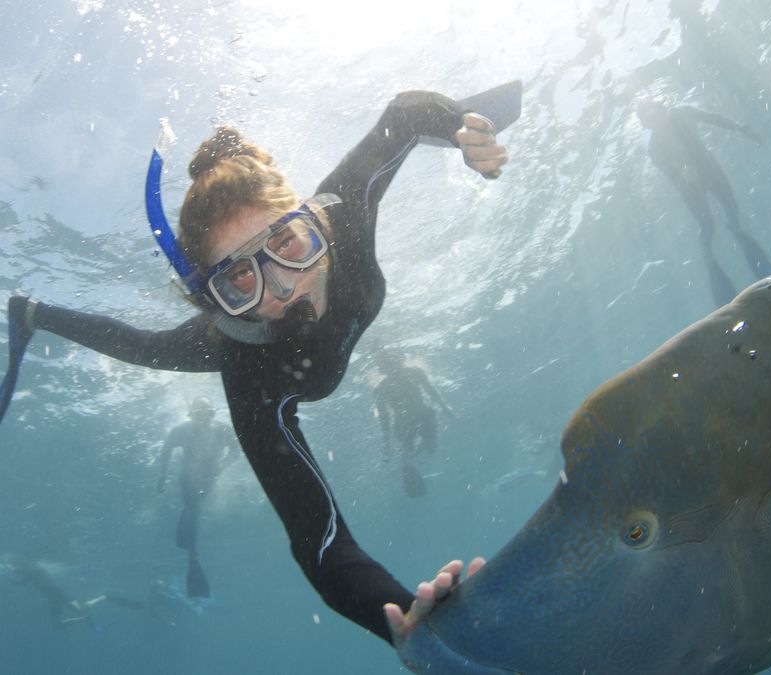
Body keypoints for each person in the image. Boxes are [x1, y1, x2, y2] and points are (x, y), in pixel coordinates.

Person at [1, 82, 518, 645]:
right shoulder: (250, 376)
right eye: (240, 276)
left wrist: (457, 126)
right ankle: (32, 314)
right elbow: (321, 545)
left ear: (314, 222)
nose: (282, 290)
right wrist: (404, 617)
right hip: (229, 342)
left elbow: (405, 114)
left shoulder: (342, 211)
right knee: (147, 346)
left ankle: (35, 311)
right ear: (217, 297)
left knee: (148, 344)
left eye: (289, 246)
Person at [637, 99, 771, 307]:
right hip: (690, 187)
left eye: (654, 112)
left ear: (661, 108)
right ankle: (709, 257)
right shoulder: (654, 147)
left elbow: (714, 119)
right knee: (707, 226)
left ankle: (735, 231)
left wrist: (741, 128)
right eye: (648, 118)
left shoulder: (683, 112)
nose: (654, 119)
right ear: (646, 124)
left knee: (732, 210)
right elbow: (670, 173)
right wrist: (682, 172)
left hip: (710, 171)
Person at [155, 396, 237, 598]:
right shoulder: (181, 430)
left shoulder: (222, 429)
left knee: (193, 508)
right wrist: (162, 477)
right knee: (193, 508)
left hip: (209, 477)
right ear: (191, 416)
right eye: (198, 415)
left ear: (212, 414)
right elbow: (166, 451)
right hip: (188, 478)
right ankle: (192, 555)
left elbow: (236, 450)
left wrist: (223, 465)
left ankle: (186, 541)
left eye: (207, 414)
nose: (203, 420)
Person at [371, 350, 454, 498]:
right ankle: (410, 462)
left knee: (428, 448)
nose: (392, 367)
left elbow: (431, 390)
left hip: (418, 418)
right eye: (388, 364)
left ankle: (412, 459)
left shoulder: (414, 373)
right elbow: (384, 419)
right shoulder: (380, 389)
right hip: (411, 421)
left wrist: (444, 406)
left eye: (393, 362)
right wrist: (386, 442)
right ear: (383, 369)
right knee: (417, 449)